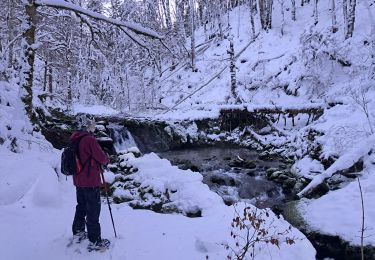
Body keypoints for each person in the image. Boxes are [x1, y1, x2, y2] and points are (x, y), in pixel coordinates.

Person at [70, 114, 110, 251]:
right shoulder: (89, 139)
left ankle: (78, 231)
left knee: (81, 206)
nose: (94, 126)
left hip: (78, 179)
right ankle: (95, 240)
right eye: (92, 123)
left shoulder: (74, 137)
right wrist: (106, 159)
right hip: (90, 180)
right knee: (93, 209)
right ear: (87, 124)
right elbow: (102, 158)